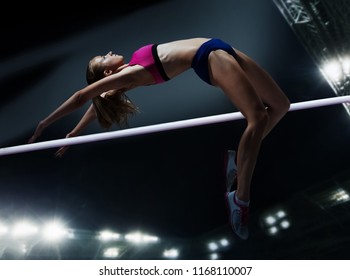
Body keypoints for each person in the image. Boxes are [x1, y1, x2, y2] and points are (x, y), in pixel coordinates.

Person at [28, 37, 290, 240]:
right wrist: (44, 123)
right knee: (257, 118)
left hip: (221, 46)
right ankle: (240, 199)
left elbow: (99, 104)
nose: (108, 53)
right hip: (210, 57)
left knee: (280, 106)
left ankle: (237, 161)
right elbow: (82, 97)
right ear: (106, 74)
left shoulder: (129, 72)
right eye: (102, 59)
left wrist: (74, 133)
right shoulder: (129, 75)